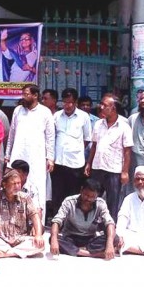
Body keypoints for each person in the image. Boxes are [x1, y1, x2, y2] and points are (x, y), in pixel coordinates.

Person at [5, 84, 55, 222]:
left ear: (35, 95)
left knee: (37, 187)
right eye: (23, 94)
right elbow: (12, 134)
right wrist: (8, 155)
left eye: (26, 94)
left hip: (37, 158)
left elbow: (50, 137)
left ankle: (37, 222)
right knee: (14, 185)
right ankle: (13, 220)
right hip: (18, 154)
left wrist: (50, 158)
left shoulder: (45, 112)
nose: (24, 97)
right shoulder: (18, 110)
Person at [85, 93, 132, 221]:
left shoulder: (124, 126)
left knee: (112, 201)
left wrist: (125, 172)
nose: (100, 107)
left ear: (113, 108)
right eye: (101, 104)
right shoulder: (98, 124)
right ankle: (90, 223)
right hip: (97, 167)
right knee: (92, 197)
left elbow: (127, 151)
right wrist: (89, 163)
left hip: (114, 169)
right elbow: (94, 145)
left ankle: (110, 226)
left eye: (104, 105)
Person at [49, 179, 118, 260]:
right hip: (71, 238)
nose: (88, 199)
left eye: (92, 197)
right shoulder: (69, 202)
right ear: (81, 190)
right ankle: (89, 254)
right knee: (53, 238)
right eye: (86, 195)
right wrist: (54, 240)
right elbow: (57, 221)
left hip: (90, 239)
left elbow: (110, 223)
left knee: (115, 238)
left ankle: (76, 251)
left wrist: (109, 244)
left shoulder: (100, 203)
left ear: (97, 196)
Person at [0, 169, 45, 259]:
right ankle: (17, 252)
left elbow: (35, 216)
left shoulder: (25, 197)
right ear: (4, 184)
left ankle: (8, 253)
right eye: (14, 184)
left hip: (20, 239)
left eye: (19, 183)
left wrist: (38, 235)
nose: (17, 186)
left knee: (40, 245)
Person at [52, 88, 92, 216]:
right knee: (57, 193)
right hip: (58, 162)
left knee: (73, 194)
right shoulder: (57, 116)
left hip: (75, 163)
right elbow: (52, 137)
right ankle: (58, 220)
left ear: (75, 102)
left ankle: (72, 219)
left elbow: (87, 139)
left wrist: (75, 149)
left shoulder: (84, 117)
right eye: (65, 102)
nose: (67, 105)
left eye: (70, 102)